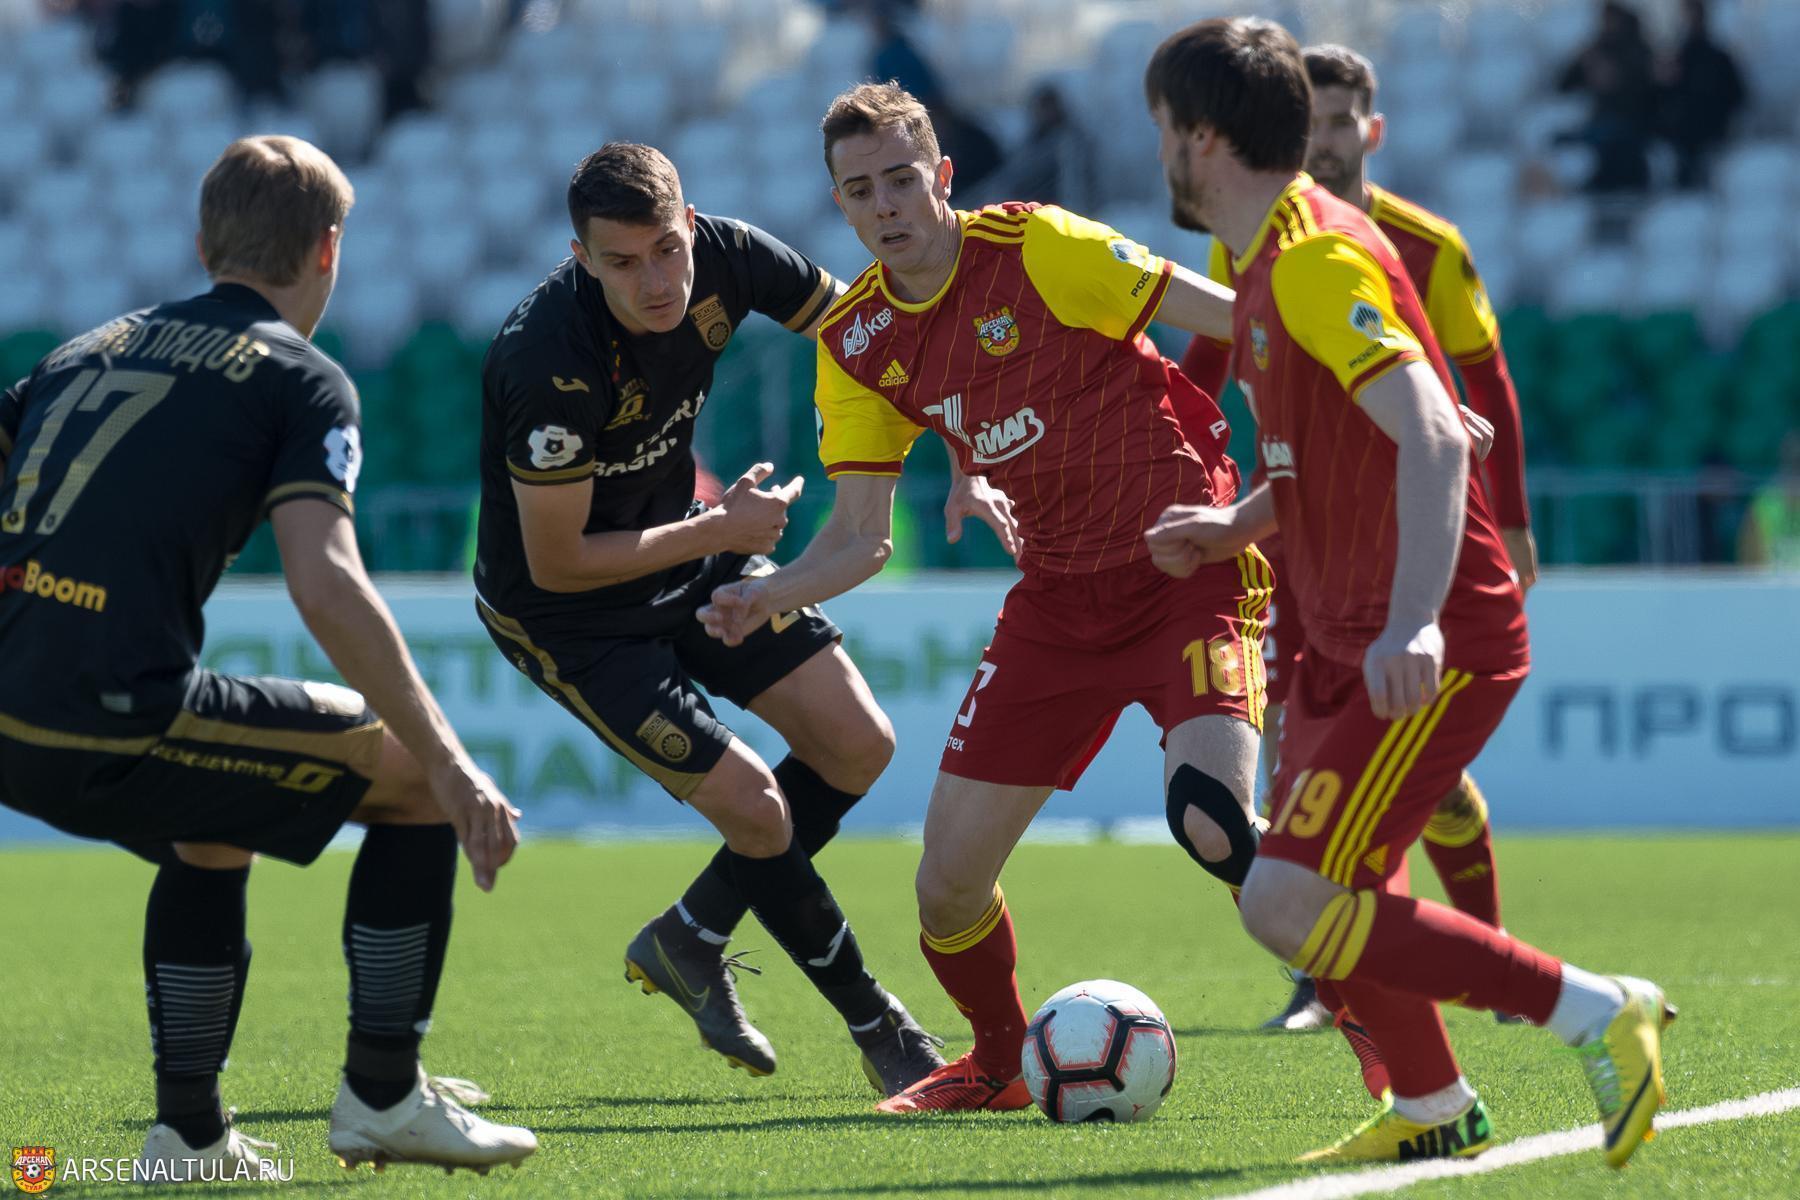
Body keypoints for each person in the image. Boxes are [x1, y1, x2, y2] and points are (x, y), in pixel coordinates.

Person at [1142, 18, 1672, 1167]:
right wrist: (1233, 525)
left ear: (1203, 138)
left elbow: (1435, 434)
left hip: (1427, 633)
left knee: (1283, 900)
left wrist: (1416, 620)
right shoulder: (1269, 258)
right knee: (1338, 884)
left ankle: (1597, 1009)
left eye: (1165, 130)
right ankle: (1434, 1106)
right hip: (1343, 631)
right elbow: (1327, 456)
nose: (1162, 153)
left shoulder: (1312, 262)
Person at [699, 82, 1270, 1115]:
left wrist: (1385, 392)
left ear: (943, 176)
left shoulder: (1041, 247)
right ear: (840, 204)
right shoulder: (857, 343)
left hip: (1186, 565)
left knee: (1214, 820)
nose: (885, 205)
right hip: (1056, 606)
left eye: (901, 179)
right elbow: (861, 538)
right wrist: (770, 592)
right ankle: (1001, 1064)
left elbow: (1239, 320)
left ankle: (1383, 1034)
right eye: (860, 190)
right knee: (945, 887)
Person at [0, 135, 536, 1178]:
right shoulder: (301, 378)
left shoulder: (80, 349)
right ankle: (384, 1094)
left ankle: (190, 1137)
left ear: (204, 244)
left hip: (17, 716)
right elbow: (324, 582)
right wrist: (452, 760)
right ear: (328, 250)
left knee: (219, 815)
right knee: (415, 781)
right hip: (112, 715)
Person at [472, 142, 999, 1095]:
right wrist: (720, 528)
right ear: (581, 258)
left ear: (690, 222)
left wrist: (963, 450)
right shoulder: (547, 359)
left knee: (858, 745)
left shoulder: (730, 255)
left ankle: (690, 935)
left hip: (685, 540)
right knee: (756, 807)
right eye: (622, 263)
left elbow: (871, 333)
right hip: (567, 615)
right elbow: (560, 561)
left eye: (667, 250)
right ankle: (881, 1028)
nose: (656, 282)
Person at [1180, 42, 1537, 1037]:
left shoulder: (1399, 245)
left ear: (1370, 131)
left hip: (1406, 555)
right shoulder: (1250, 248)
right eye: (1314, 120)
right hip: (1309, 550)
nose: (1326, 141)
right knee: (1304, 778)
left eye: (1341, 123)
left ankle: (1496, 967)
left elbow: (1475, 394)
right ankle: (1363, 1020)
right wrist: (1213, 504)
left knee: (1403, 792)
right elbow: (1219, 374)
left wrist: (1509, 519)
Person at [1556, 0, 1657, 193]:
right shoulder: (1598, 49)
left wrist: (1617, 77)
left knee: (1610, 140)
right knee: (1562, 141)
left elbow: (1647, 89)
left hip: (1633, 120)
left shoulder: (1638, 49)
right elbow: (1563, 86)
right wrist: (1581, 61)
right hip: (1602, 120)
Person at [1658, 0, 1748, 189]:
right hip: (1680, 125)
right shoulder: (1675, 58)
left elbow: (1737, 95)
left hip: (1709, 124)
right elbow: (1661, 95)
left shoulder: (1717, 57)